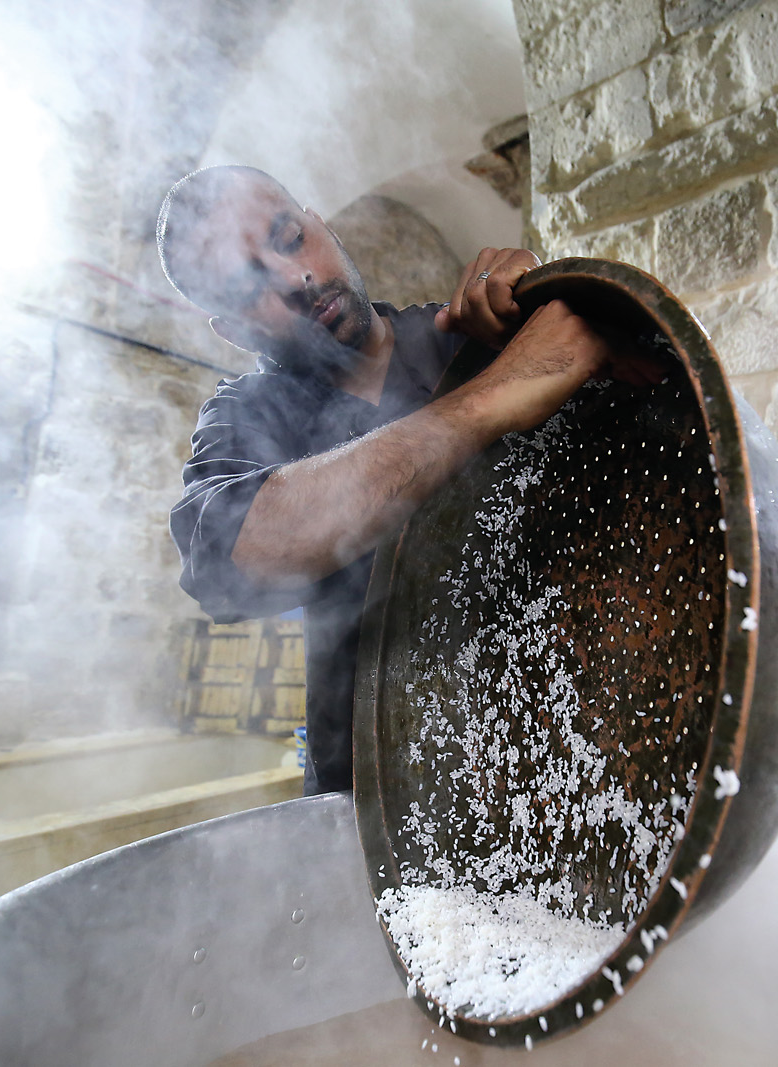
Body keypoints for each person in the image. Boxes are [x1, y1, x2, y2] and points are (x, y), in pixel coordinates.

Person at [159, 165, 642, 796]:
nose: (293, 279)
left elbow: (656, 402)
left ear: (319, 224)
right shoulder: (246, 416)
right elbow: (231, 557)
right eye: (247, 286)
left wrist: (546, 300)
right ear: (230, 328)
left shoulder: (470, 341)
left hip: (570, 773)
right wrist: (486, 402)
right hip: (376, 807)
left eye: (288, 237)